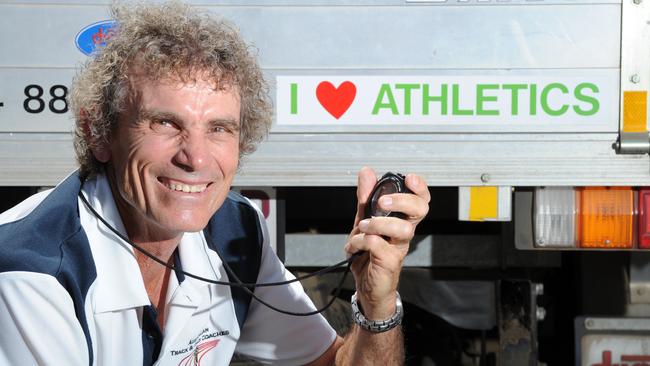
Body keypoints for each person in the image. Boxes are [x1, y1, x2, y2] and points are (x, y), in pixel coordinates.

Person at [0, 2, 430, 365]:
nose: (196, 157)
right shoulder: (31, 271)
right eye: (165, 123)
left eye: (220, 128)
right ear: (99, 133)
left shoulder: (232, 227)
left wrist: (377, 304)